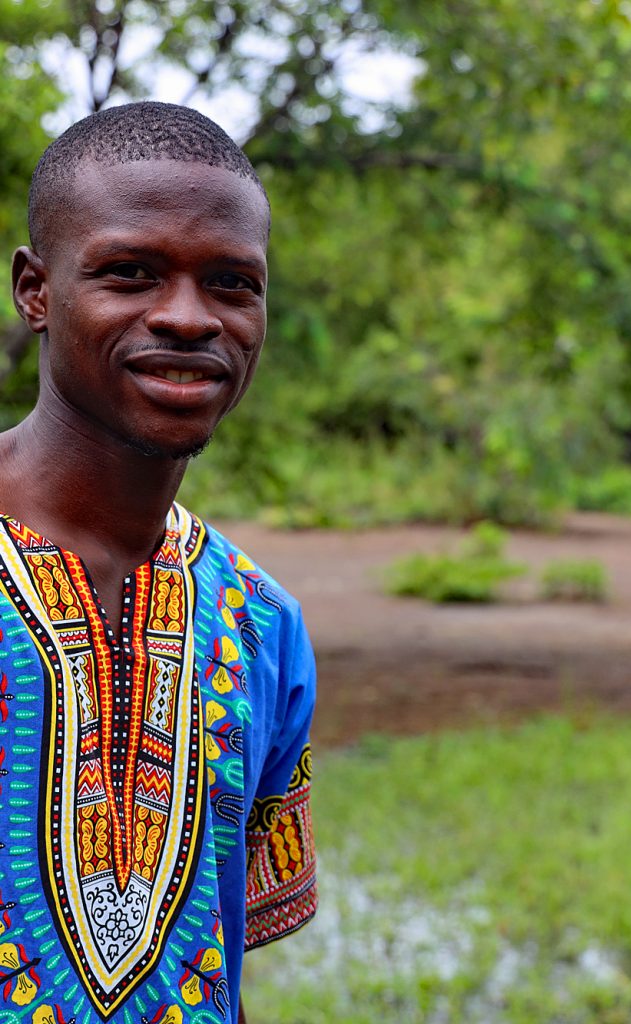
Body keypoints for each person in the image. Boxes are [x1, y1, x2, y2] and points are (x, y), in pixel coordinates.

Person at [0, 102, 317, 1024]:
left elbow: (217, 965)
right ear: (35, 289)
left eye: (231, 283)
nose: (187, 318)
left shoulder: (262, 624)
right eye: (130, 273)